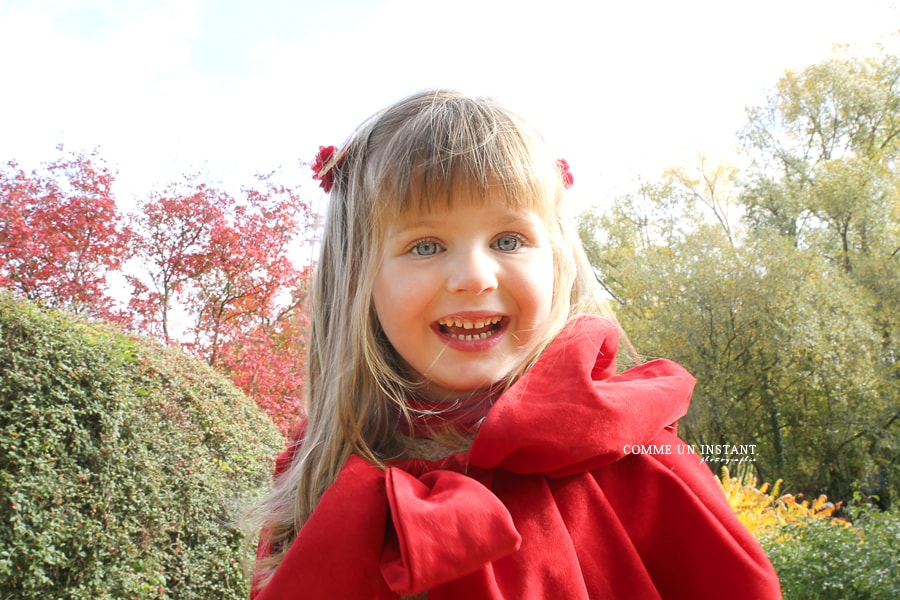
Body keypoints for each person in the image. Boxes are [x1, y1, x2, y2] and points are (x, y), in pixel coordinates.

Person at [246, 89, 781, 599]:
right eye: (426, 245)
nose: (474, 277)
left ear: (557, 260)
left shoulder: (641, 460)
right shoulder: (322, 470)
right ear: (357, 277)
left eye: (509, 240)